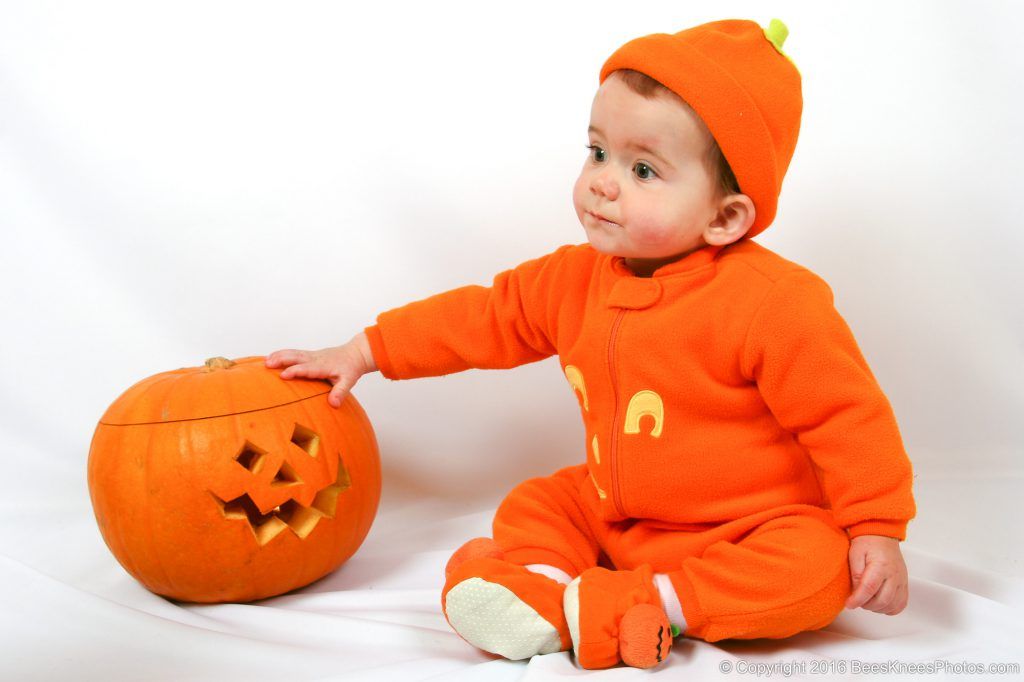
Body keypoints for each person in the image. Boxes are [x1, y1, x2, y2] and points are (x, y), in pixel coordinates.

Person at [265, 18, 916, 670]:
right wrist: (367, 350)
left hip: (747, 527)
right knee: (540, 502)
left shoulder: (773, 302)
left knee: (818, 565)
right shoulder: (571, 279)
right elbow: (482, 318)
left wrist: (877, 527)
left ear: (725, 218)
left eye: (642, 169)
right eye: (598, 152)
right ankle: (542, 593)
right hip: (618, 515)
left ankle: (659, 604)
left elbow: (846, 416)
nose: (603, 181)